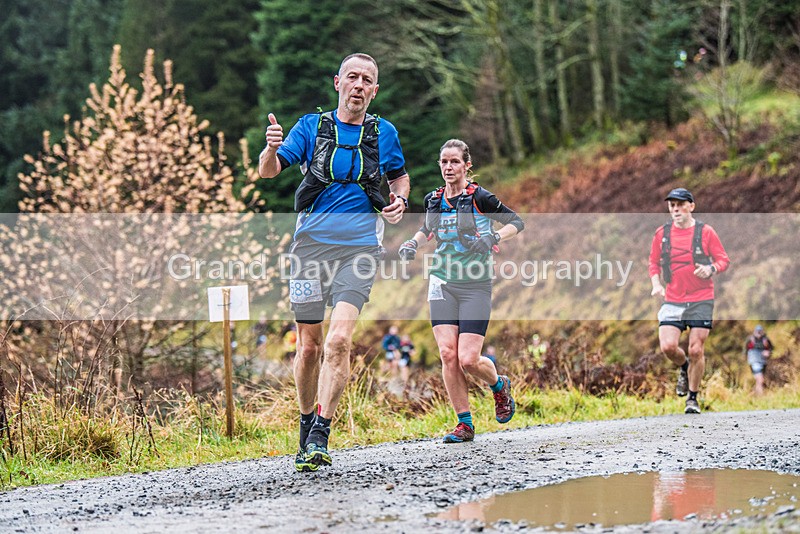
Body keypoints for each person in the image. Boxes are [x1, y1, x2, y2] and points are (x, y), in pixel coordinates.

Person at [258, 53, 410, 472]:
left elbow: (398, 176)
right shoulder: (311, 127)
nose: (359, 85)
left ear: (374, 90)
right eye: (352, 78)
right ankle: (306, 422)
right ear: (338, 83)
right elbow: (269, 172)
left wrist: (400, 200)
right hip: (310, 250)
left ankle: (322, 432)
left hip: (360, 250)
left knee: (339, 341)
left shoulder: (384, 133)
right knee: (308, 348)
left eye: (368, 80)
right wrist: (270, 149)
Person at [399, 138, 524, 443]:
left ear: (467, 165)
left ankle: (499, 386)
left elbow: (516, 222)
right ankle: (464, 423)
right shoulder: (434, 200)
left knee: (469, 358)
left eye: (455, 161)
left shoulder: (480, 197)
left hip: (475, 285)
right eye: (444, 161)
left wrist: (493, 235)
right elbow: (428, 229)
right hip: (442, 282)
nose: (448, 167)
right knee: (447, 354)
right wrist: (413, 242)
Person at [649, 188, 730, 414]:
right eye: (671, 205)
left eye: (680, 204)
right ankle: (684, 367)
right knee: (667, 346)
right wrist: (656, 284)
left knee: (696, 349)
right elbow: (653, 263)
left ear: (691, 206)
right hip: (673, 299)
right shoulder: (662, 234)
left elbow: (723, 259)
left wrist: (711, 268)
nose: (675, 209)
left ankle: (692, 399)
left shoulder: (706, 232)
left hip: (701, 299)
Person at [744, 324, 771, 396]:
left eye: (760, 331)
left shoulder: (766, 340)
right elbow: (745, 350)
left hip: (763, 362)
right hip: (754, 361)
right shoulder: (750, 340)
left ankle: (757, 394)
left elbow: (770, 349)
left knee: (760, 380)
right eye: (757, 331)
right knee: (760, 379)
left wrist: (768, 353)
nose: (759, 333)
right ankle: (760, 394)